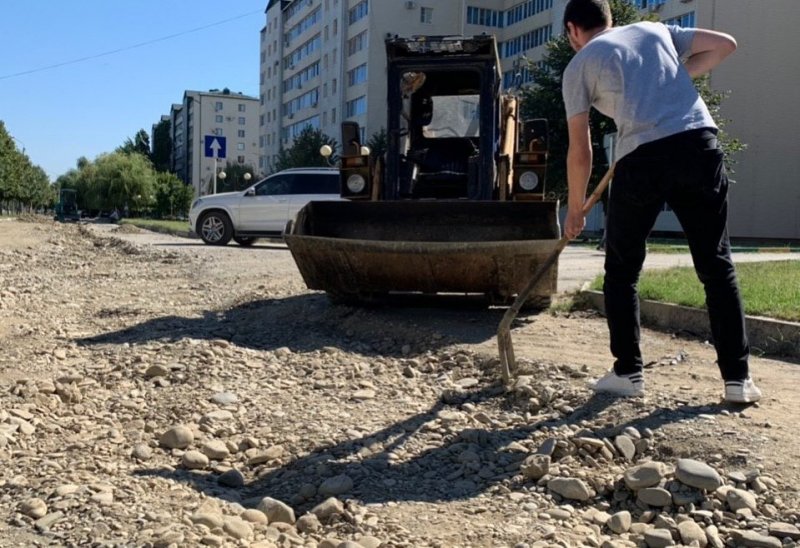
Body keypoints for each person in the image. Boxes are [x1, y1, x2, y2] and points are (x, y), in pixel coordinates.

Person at [561, 0, 761, 403]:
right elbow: (725, 45)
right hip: (697, 143)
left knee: (622, 268)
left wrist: (576, 208)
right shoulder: (653, 30)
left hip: (642, 157)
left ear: (572, 30)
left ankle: (628, 373)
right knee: (715, 262)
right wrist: (670, 78)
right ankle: (738, 381)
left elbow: (579, 150)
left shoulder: (580, 64)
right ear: (610, 20)